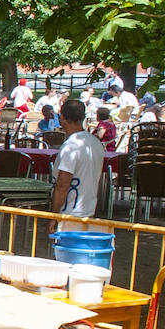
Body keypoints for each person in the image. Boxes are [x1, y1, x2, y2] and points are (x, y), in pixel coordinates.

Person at [51, 99, 105, 231]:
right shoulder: (95, 142)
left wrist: (53, 217)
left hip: (69, 213)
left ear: (62, 118)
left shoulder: (71, 146)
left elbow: (63, 185)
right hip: (88, 210)